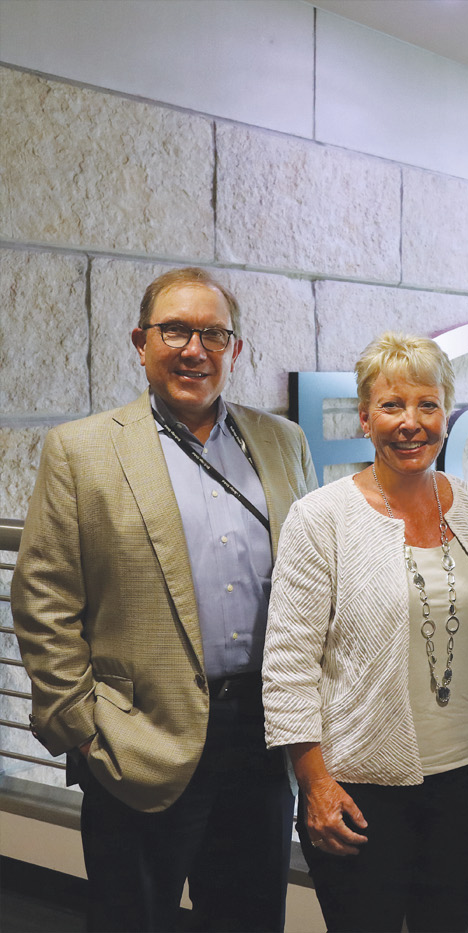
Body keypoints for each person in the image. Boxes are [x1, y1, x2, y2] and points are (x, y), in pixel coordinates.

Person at [12, 267, 317, 932]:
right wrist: (84, 730)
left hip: (263, 740)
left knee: (249, 917)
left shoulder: (283, 442)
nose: (194, 348)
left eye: (214, 333)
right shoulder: (82, 450)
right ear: (140, 342)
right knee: (132, 918)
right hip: (137, 737)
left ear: (234, 350)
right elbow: (43, 599)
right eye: (174, 329)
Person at [261, 332, 468, 932]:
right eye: (392, 406)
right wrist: (313, 781)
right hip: (359, 787)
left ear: (446, 412)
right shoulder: (321, 518)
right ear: (365, 418)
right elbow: (289, 664)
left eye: (427, 404)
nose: (411, 423)